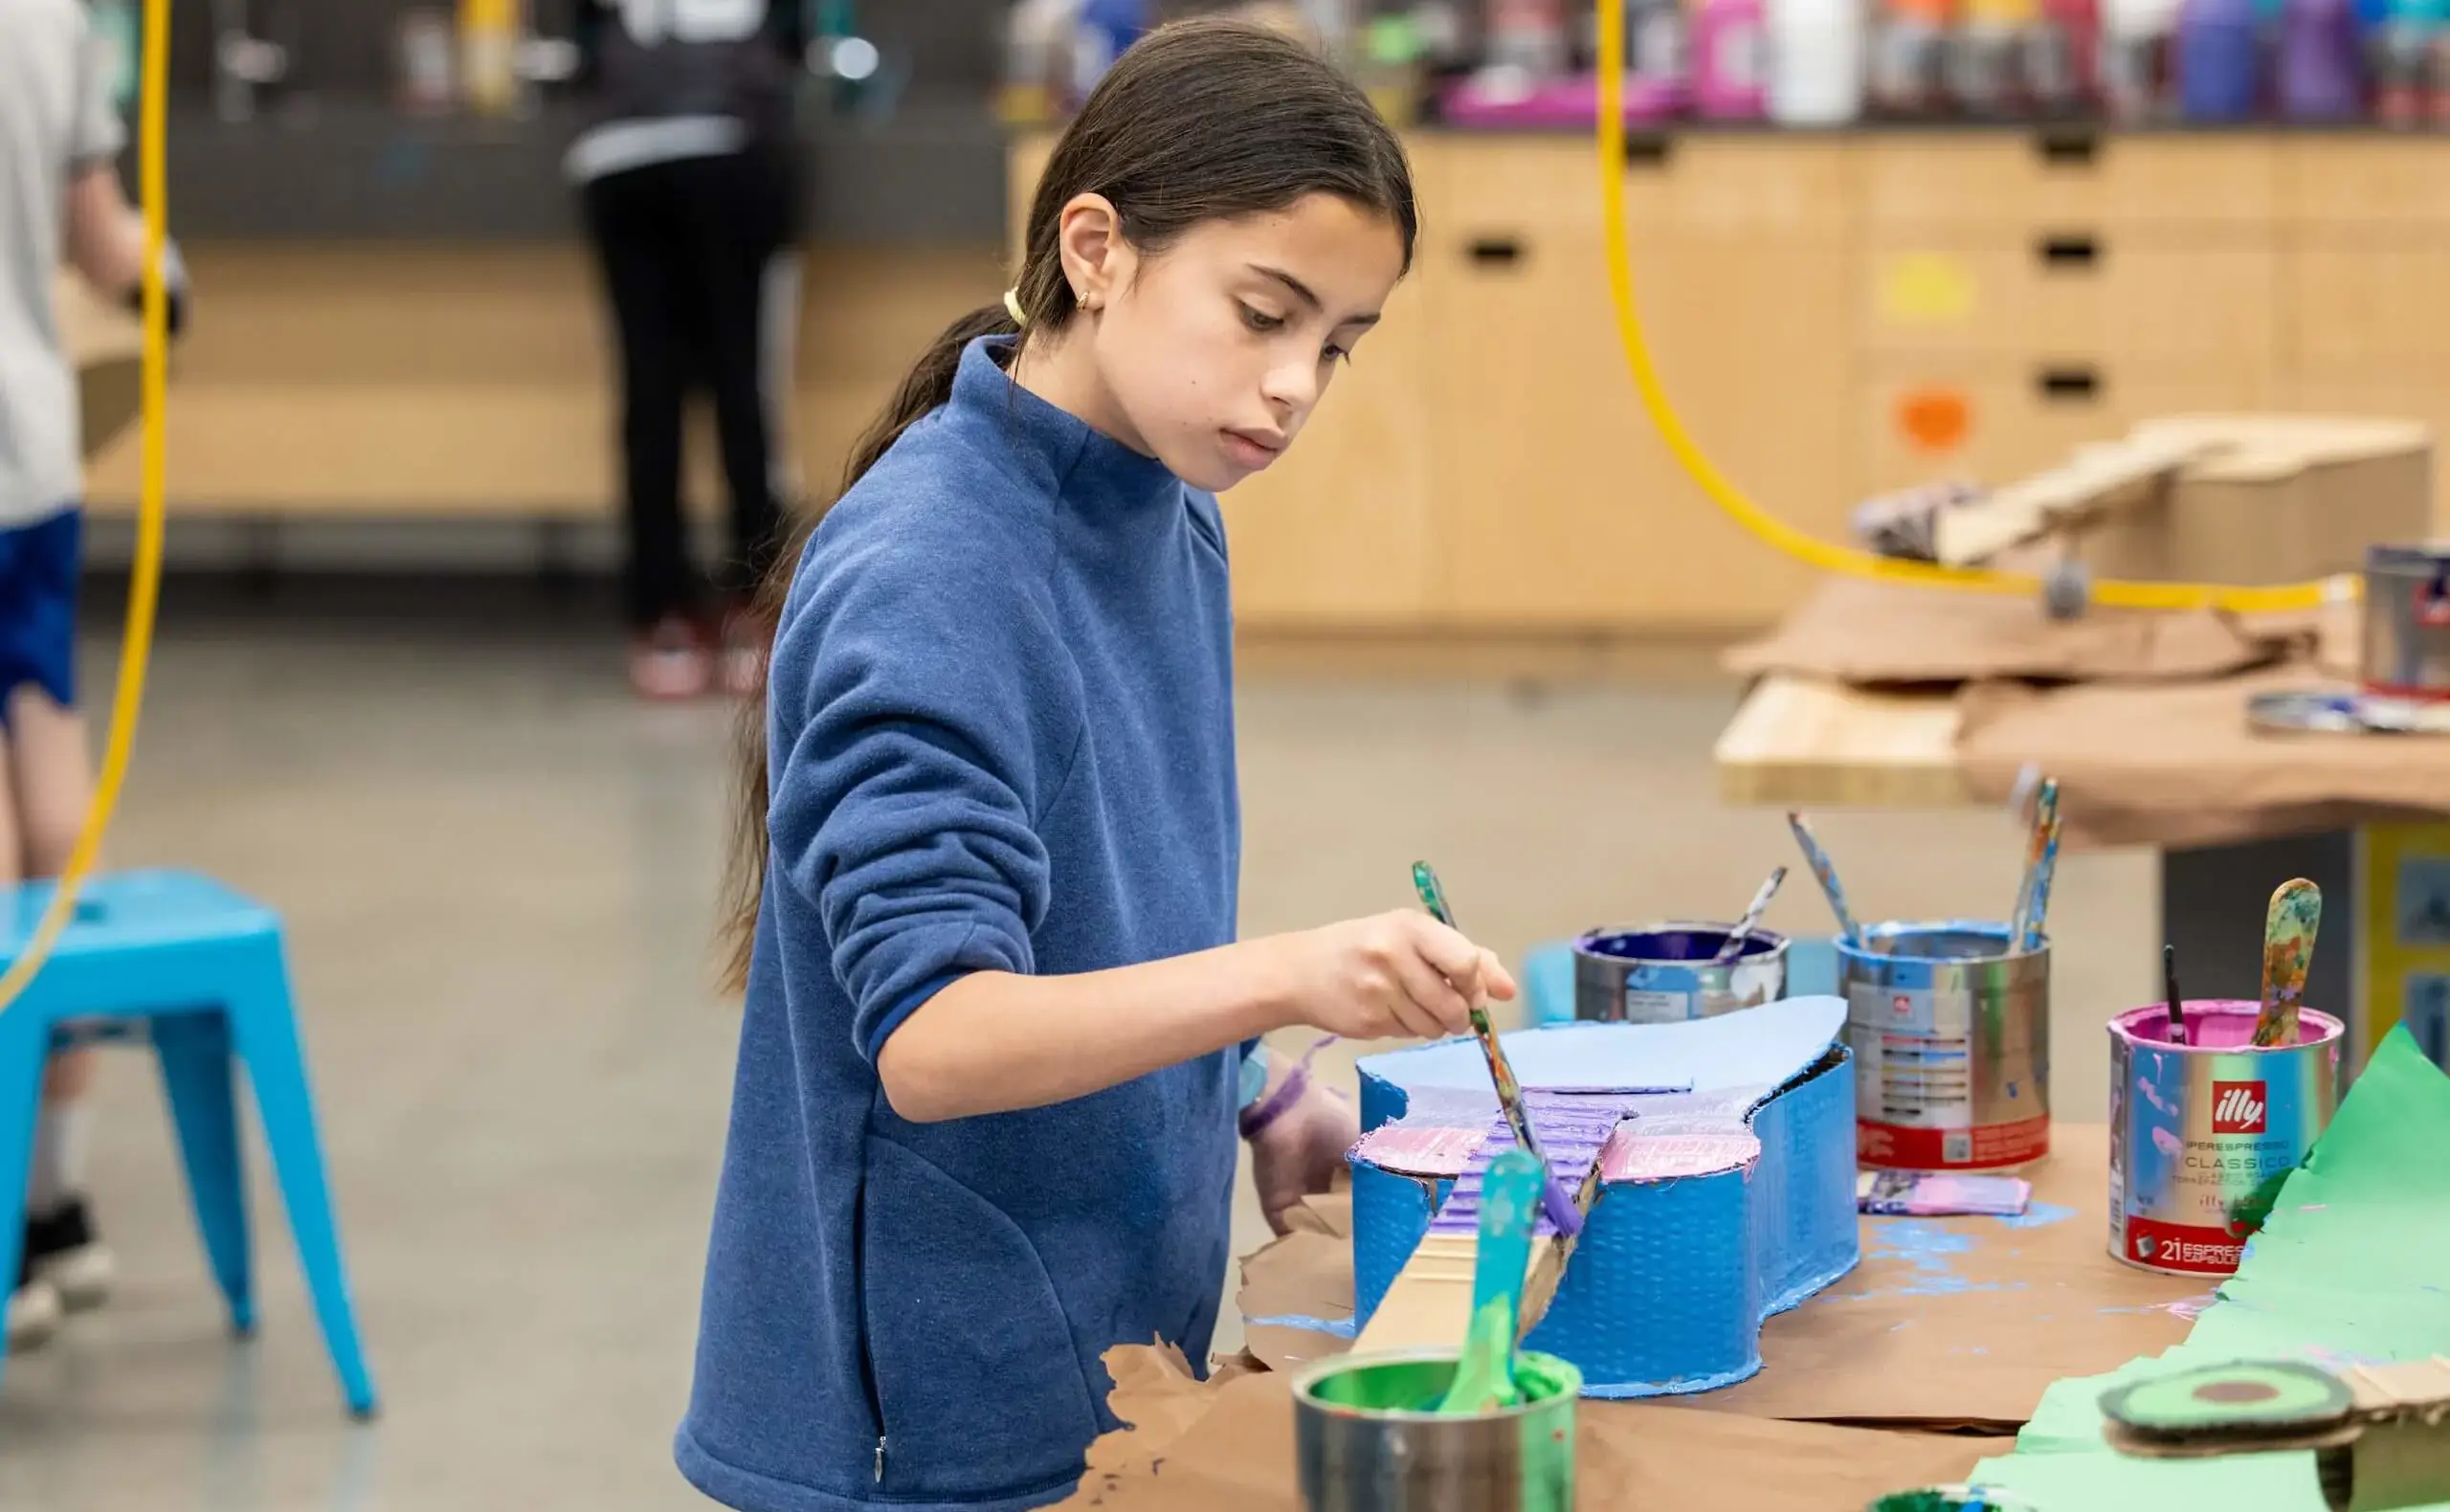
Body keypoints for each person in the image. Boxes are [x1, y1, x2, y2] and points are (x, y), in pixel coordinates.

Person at [677, 19, 1516, 1512]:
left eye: (1335, 344)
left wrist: (1250, 1099)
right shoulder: (934, 571)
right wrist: (1288, 977)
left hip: (1101, 1351)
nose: (1294, 388)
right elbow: (936, 1040)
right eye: (1262, 314)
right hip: (929, 1424)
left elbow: (1117, 912)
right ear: (1098, 247)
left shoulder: (1163, 506)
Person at [0, 0, 181, 1351]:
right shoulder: (53, 19)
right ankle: (54, 1205)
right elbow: (107, 244)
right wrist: (167, 278)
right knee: (48, 782)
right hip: (30, 454)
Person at [569, 0, 808, 700]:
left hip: (622, 160)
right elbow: (792, 42)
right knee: (743, 387)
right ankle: (753, 612)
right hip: (731, 151)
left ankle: (662, 617)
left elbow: (582, 43)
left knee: (651, 394)